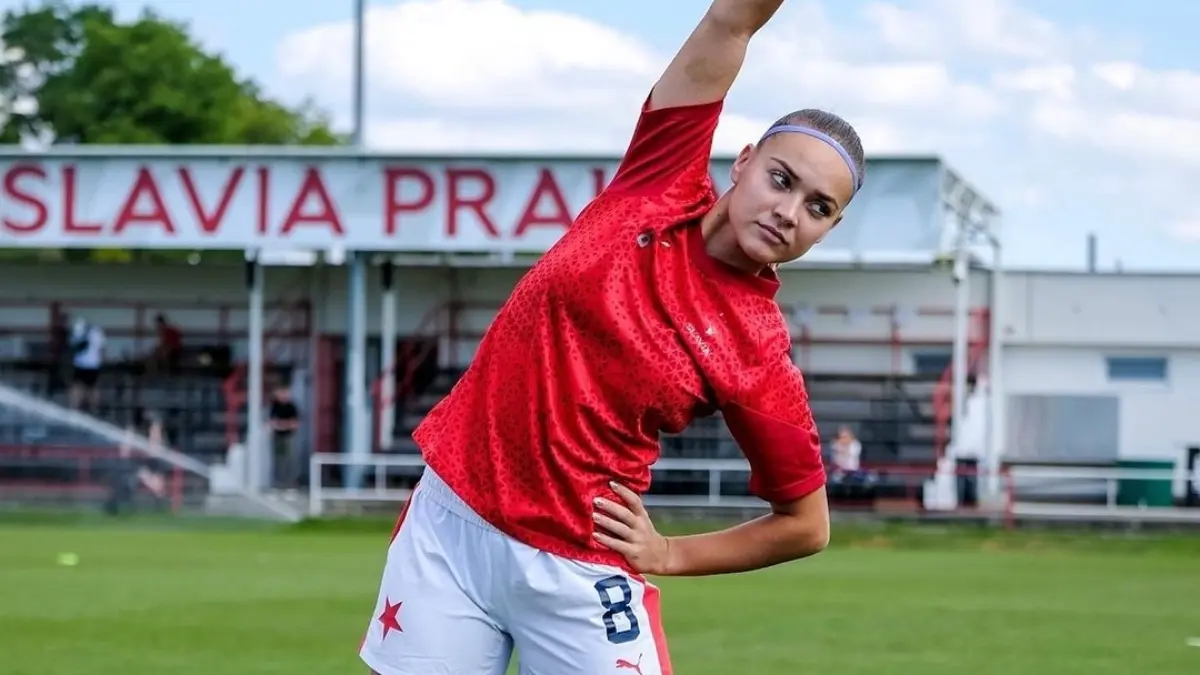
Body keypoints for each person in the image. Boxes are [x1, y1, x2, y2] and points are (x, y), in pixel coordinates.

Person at [358, 1, 866, 673]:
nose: (788, 211)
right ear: (743, 162)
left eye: (817, 208)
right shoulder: (659, 176)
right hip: (451, 522)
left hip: (577, 569)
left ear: (827, 230)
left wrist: (671, 553)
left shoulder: (756, 351)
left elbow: (806, 524)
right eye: (782, 178)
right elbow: (730, 22)